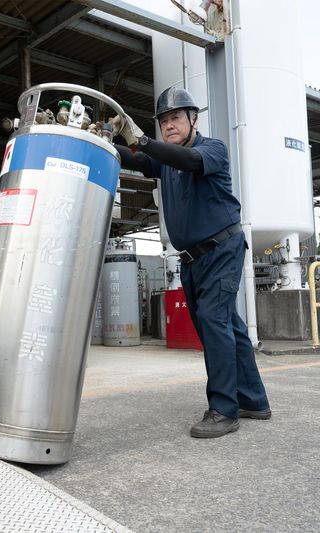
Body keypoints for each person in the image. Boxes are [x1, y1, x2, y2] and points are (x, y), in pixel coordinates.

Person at [112, 87, 270, 438]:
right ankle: (254, 400)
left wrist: (143, 140)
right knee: (227, 325)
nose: (169, 125)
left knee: (214, 321)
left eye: (176, 118)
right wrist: (101, 143)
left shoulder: (212, 149)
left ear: (193, 119)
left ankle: (224, 410)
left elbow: (188, 161)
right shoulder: (164, 162)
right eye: (163, 121)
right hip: (193, 258)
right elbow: (133, 158)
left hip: (222, 249)